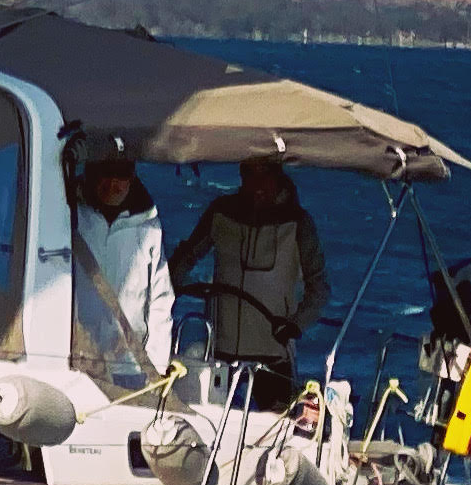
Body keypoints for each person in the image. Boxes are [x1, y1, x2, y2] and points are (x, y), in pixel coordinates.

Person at [171, 155, 329, 400]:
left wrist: (296, 325)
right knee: (207, 418)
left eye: (264, 174)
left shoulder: (298, 223)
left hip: (274, 353)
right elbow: (188, 255)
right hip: (220, 351)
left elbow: (319, 287)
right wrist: (165, 291)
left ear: (278, 176)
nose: (257, 183)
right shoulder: (221, 213)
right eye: (249, 174)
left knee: (276, 422)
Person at [68, 139, 173, 386]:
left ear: (132, 176)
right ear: (91, 175)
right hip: (78, 361)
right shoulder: (70, 216)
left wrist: (157, 368)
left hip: (131, 367)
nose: (112, 184)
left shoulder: (148, 226)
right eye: (104, 175)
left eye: (121, 175)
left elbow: (160, 299)